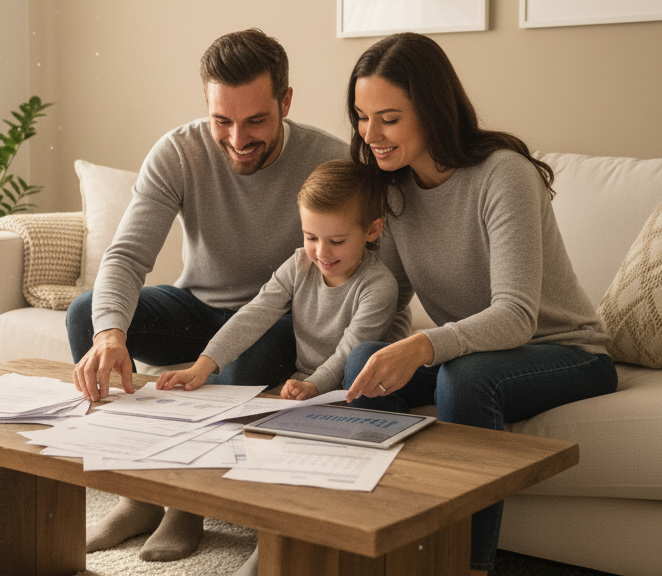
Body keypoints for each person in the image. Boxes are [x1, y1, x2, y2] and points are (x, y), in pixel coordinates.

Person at [65, 29, 346, 566]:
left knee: (253, 347)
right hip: (195, 308)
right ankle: (141, 495)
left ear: (285, 102)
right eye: (223, 120)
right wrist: (109, 335)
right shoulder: (179, 151)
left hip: (273, 318)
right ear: (207, 106)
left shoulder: (328, 161)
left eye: (256, 121)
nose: (237, 138)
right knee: (87, 315)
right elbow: (125, 257)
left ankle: (188, 503)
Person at [340, 32, 618, 576]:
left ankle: (466, 566)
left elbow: (515, 314)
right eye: (361, 115)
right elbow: (391, 301)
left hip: (566, 352)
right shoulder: (392, 189)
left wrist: (422, 346)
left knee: (464, 379)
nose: (369, 134)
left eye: (389, 118)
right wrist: (355, 356)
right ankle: (382, 549)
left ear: (433, 112)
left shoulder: (503, 174)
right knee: (362, 364)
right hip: (476, 353)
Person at [155, 160, 397, 404]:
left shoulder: (378, 286)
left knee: (359, 372)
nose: (321, 253)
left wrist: (312, 385)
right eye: (311, 237)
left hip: (353, 384)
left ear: (372, 230)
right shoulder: (300, 264)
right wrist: (202, 365)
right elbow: (255, 313)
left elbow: (349, 352)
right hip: (305, 380)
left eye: (337, 241)